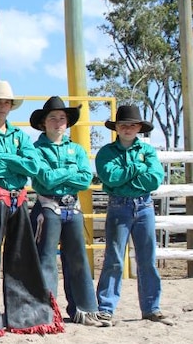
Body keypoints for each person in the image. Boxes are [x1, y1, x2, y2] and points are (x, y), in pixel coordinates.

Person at [0, 82, 63, 339]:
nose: (4, 106)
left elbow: (33, 166)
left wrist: (7, 160)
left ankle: (26, 315)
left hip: (17, 200)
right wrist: (17, 164)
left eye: (7, 102)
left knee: (22, 258)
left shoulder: (19, 136)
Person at [30, 96, 107, 327]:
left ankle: (84, 310)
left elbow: (85, 179)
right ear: (44, 123)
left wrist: (60, 174)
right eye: (53, 118)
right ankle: (47, 313)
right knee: (46, 261)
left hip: (71, 207)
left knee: (78, 259)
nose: (58, 122)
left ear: (67, 123)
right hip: (47, 206)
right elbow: (43, 179)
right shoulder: (35, 150)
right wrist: (70, 171)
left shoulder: (76, 149)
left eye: (62, 118)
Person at [94, 105, 174, 326]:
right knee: (114, 258)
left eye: (132, 125)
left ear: (139, 127)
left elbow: (154, 179)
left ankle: (151, 307)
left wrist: (125, 178)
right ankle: (106, 308)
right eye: (123, 125)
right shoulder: (108, 153)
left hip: (142, 206)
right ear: (117, 128)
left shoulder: (146, 152)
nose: (128, 128)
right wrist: (137, 169)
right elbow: (110, 177)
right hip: (122, 206)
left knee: (147, 258)